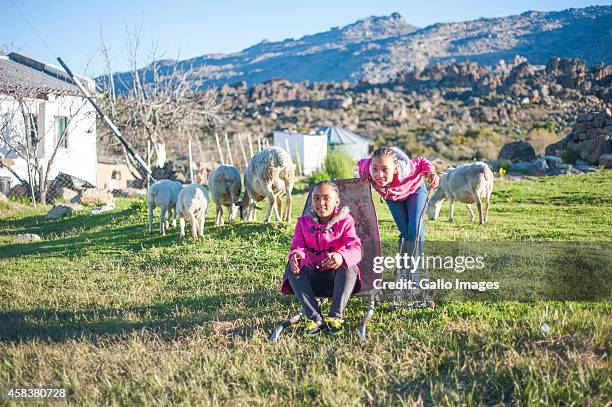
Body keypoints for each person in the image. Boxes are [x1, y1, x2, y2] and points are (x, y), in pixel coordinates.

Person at [280, 181, 362, 336]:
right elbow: (298, 245)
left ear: (337, 201)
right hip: (312, 282)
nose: (321, 203)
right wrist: (297, 255)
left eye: (326, 198)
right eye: (316, 198)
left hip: (336, 282)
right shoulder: (303, 222)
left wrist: (340, 256)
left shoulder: (345, 221)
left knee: (349, 267)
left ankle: (335, 317)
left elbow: (355, 248)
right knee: (292, 267)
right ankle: (315, 317)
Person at [358, 147, 439, 288]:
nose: (378, 174)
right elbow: (361, 164)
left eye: (385, 169)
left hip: (415, 191)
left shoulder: (407, 170)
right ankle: (404, 270)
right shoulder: (367, 168)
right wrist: (363, 175)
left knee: (415, 230)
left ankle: (416, 273)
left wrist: (431, 173)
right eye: (375, 168)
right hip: (393, 198)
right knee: (405, 233)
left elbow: (422, 162)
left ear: (395, 169)